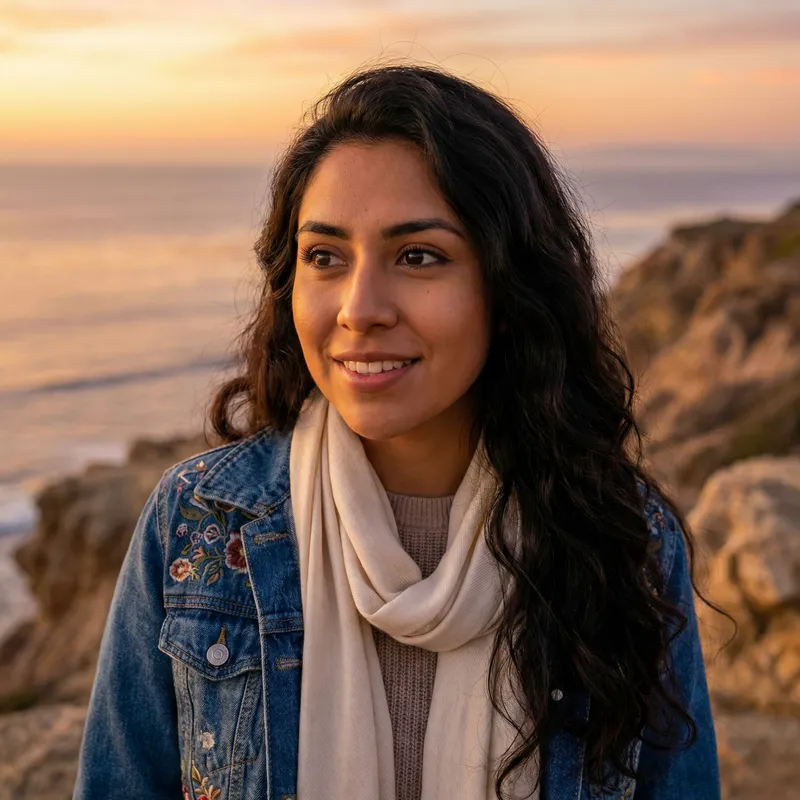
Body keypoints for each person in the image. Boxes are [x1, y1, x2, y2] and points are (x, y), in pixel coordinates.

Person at [73, 64, 720, 800]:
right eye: (325, 256)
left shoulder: (624, 539)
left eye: (418, 256)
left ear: (507, 287)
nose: (359, 308)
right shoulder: (197, 523)